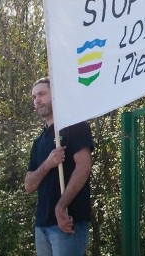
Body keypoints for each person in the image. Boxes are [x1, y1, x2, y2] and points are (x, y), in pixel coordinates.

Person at [25, 77, 94, 256]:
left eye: (41, 94)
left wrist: (61, 206)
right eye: (33, 97)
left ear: (55, 95)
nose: (37, 100)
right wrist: (48, 164)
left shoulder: (75, 126)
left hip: (68, 222)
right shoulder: (39, 141)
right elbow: (29, 185)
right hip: (42, 225)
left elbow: (84, 167)